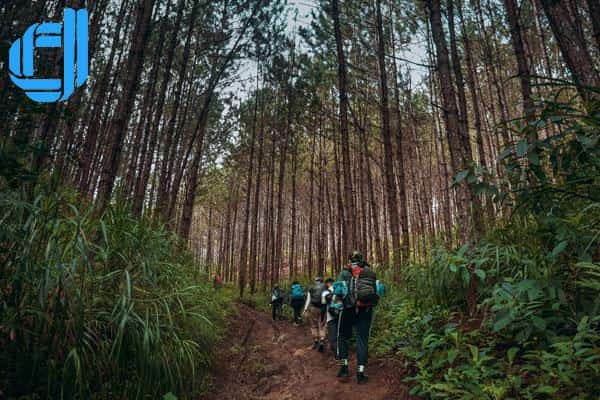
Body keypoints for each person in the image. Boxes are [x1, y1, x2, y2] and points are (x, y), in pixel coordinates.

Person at [336, 251, 379, 384]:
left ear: (350, 260)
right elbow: (377, 291)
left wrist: (339, 304)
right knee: (362, 339)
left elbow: (337, 291)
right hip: (365, 309)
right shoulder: (368, 271)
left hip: (348, 309)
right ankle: (360, 373)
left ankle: (344, 369)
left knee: (342, 337)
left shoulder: (344, 272)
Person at [303, 276, 327, 352]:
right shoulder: (325, 287)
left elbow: (308, 300)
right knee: (322, 325)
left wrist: (305, 309)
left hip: (314, 308)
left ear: (315, 281)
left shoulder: (311, 287)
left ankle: (316, 340)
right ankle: (322, 340)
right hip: (323, 308)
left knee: (314, 324)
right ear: (321, 280)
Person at [322, 278, 339, 356]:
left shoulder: (325, 293)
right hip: (341, 315)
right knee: (340, 336)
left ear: (327, 283)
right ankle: (339, 352)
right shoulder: (340, 290)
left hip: (331, 317)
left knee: (333, 337)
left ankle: (337, 356)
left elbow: (323, 305)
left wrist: (322, 318)